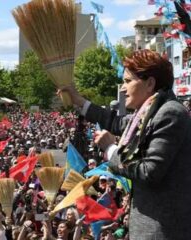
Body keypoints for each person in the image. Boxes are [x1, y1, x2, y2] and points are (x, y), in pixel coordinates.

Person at [60, 49, 191, 239]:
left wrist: (111, 149)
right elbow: (116, 122)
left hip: (162, 231)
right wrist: (79, 101)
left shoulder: (170, 113)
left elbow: (149, 171)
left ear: (150, 83)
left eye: (128, 81)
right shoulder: (149, 111)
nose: (122, 88)